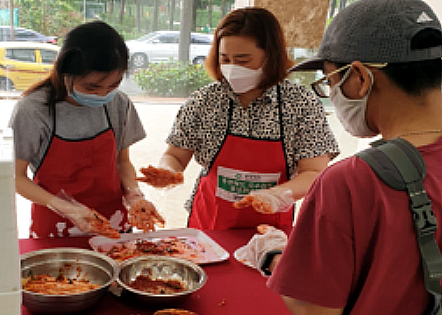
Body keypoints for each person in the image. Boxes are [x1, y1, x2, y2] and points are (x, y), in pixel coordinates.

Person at [238, 0, 442, 315]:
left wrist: (272, 257)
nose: (331, 92)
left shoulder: (351, 183)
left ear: (360, 78)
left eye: (330, 81)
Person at [138, 7, 339, 230]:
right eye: (225, 59)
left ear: (270, 56)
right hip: (210, 223)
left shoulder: (301, 103)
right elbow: (175, 154)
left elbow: (313, 172)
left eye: (243, 60)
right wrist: (167, 171)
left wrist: (275, 195)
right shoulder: (204, 100)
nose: (232, 68)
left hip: (269, 228)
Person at [8, 21, 164, 238]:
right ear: (65, 73)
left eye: (113, 85)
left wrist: (135, 196)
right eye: (92, 87)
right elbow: (15, 177)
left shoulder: (118, 103)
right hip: (56, 227)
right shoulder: (34, 110)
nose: (102, 95)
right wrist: (67, 208)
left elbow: (122, 161)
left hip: (112, 224)